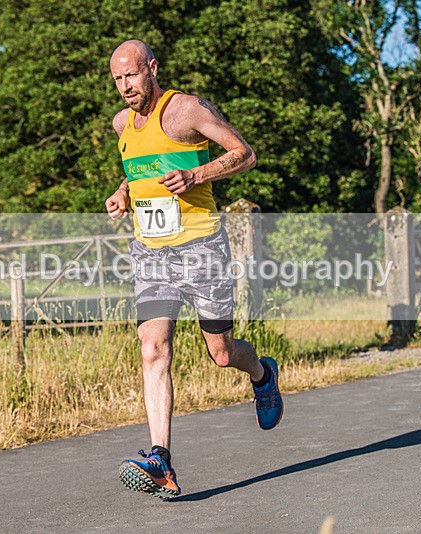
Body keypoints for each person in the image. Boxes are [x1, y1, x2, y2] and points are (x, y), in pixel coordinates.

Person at [105, 40, 283, 500]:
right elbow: (141, 164)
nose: (125, 86)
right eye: (118, 79)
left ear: (152, 69)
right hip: (151, 253)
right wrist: (124, 191)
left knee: (221, 353)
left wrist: (197, 177)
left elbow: (244, 153)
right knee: (153, 347)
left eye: (132, 75)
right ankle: (160, 459)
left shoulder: (185, 110)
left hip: (202, 247)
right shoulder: (121, 124)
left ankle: (262, 373)